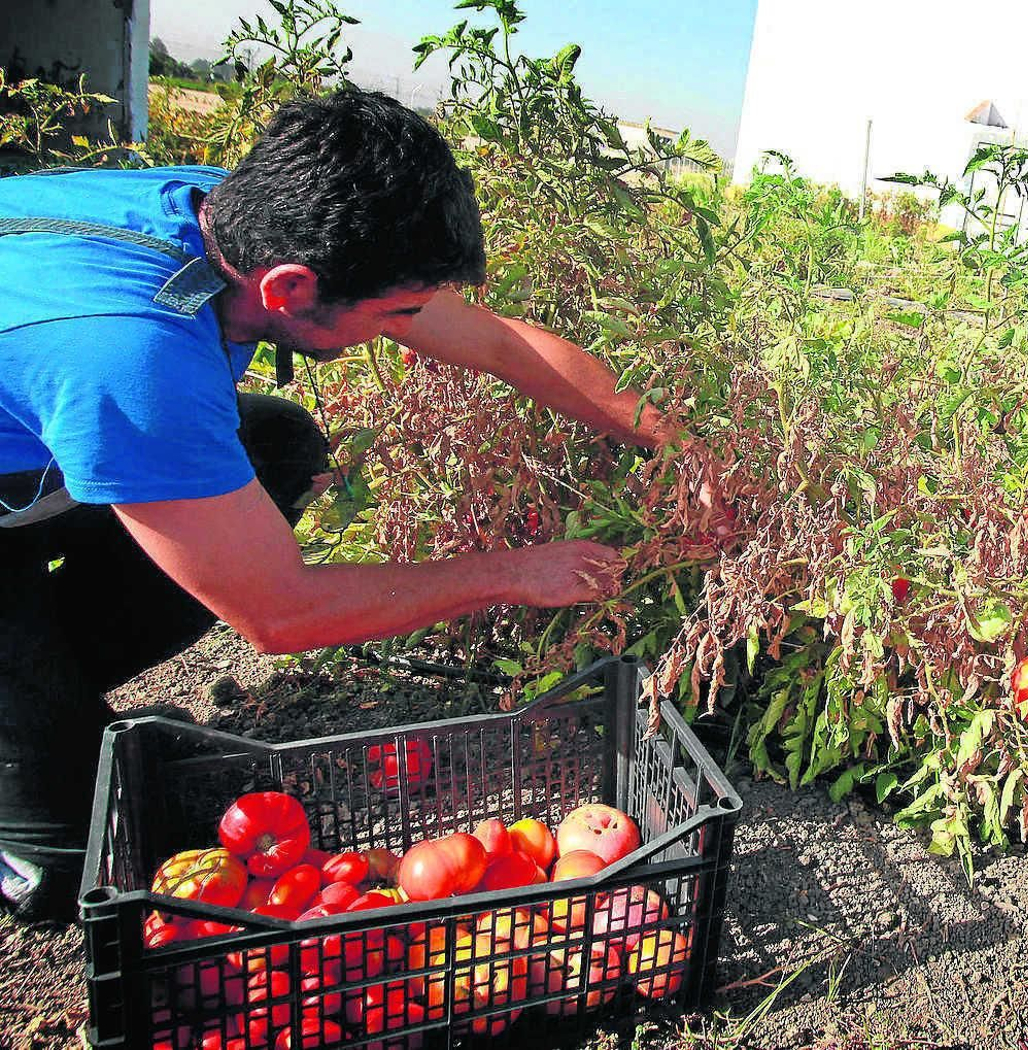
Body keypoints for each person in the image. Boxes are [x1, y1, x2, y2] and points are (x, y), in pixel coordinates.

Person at [0, 87, 696, 921]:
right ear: (291, 289)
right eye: (396, 314)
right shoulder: (134, 354)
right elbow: (282, 616)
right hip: (80, 394)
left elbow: (501, 343)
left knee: (275, 444)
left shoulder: (233, 213)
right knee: (79, 862)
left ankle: (43, 687)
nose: (408, 328)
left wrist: (690, 452)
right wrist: (513, 573)